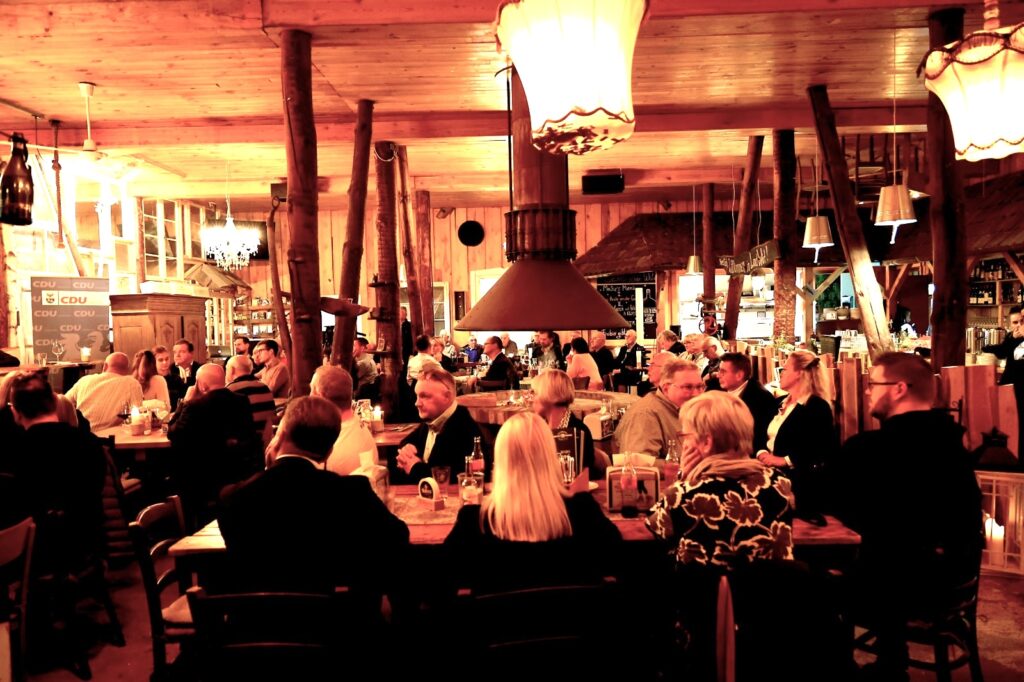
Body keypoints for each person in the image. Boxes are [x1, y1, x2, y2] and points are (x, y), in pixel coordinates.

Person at [831, 352, 983, 681]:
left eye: (873, 384)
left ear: (899, 388)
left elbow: (831, 501)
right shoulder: (953, 445)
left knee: (809, 584)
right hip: (953, 582)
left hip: (908, 587)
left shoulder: (872, 449)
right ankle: (891, 661)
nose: (868, 391)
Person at [218, 396, 409, 595]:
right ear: (328, 452)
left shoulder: (234, 498)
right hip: (331, 613)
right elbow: (397, 538)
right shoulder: (350, 492)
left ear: (280, 435)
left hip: (257, 613)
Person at [444, 411, 621, 591]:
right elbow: (617, 557)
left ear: (500, 463)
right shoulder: (582, 511)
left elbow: (445, 576)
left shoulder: (475, 521)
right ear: (551, 457)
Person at [647, 390, 795, 567]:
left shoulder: (683, 494)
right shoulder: (780, 484)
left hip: (703, 585)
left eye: (686, 436)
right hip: (770, 585)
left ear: (707, 443)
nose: (684, 444)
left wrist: (684, 477)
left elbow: (656, 529)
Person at [6, 372, 106, 573]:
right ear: (54, 402)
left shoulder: (12, 452)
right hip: (86, 547)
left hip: (35, 556)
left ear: (15, 412)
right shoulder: (90, 443)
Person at [168, 363, 260, 526]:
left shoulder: (194, 406)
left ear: (202, 385)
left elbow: (174, 433)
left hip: (201, 475)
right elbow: (247, 434)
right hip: (236, 470)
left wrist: (184, 402)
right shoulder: (241, 400)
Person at [755, 350, 836, 517]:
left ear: (799, 373)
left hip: (797, 479)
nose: (781, 373)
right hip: (767, 471)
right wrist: (762, 453)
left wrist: (784, 460)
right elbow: (760, 434)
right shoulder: (780, 402)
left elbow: (820, 448)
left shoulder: (816, 407)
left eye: (785, 369)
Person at [395, 366, 483, 482]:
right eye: (417, 396)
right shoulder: (432, 419)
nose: (417, 403)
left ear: (447, 396)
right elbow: (407, 441)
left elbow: (453, 480)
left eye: (424, 396)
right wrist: (407, 448)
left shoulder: (465, 429)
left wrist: (414, 467)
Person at [615, 355, 704, 458]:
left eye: (700, 386)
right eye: (688, 387)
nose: (696, 394)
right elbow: (637, 462)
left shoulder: (688, 409)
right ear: (666, 388)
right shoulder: (646, 415)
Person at [310, 365, 378, 476]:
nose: (309, 397)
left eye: (311, 390)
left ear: (320, 398)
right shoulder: (356, 426)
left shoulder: (331, 447)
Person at [532, 369, 600, 479]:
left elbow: (583, 479)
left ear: (550, 395)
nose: (532, 399)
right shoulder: (538, 429)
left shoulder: (578, 433)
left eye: (535, 393)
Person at [982, 305, 1024, 454]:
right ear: (1009, 324)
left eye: (1022, 321)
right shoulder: (1012, 337)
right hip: (1009, 385)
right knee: (1008, 424)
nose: (1018, 325)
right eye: (1015, 322)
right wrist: (986, 348)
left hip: (1020, 387)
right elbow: (1002, 351)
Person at [718, 352, 778, 454]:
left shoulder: (761, 399)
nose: (718, 375)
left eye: (723, 372)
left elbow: (757, 439)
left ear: (739, 375)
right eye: (719, 371)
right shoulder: (719, 389)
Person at [65, 351, 144, 429]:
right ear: (127, 369)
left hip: (81, 433)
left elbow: (63, 403)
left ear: (105, 366)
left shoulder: (84, 380)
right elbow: (138, 417)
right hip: (110, 435)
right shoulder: (131, 383)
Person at [225, 354, 276, 447]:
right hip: (267, 441)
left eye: (226, 369)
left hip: (244, 445)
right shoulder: (264, 387)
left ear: (232, 370)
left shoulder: (231, 390)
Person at [165, 339, 203, 410]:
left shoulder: (201, 369)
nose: (177, 355)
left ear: (191, 353)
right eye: (175, 352)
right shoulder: (169, 370)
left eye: (182, 352)